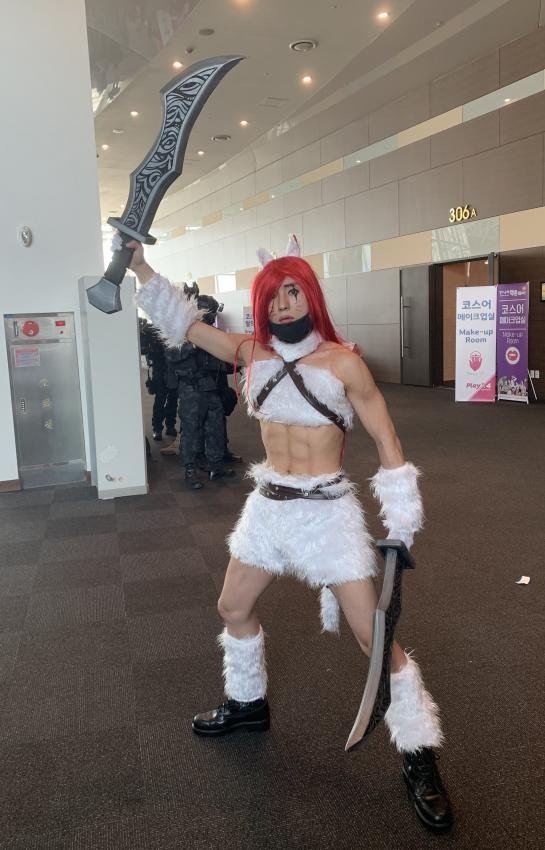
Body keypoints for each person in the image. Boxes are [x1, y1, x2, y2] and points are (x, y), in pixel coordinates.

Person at [121, 233, 453, 832]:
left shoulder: (343, 362)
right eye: (273, 296)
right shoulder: (252, 353)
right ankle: (248, 702)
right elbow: (185, 325)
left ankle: (418, 751)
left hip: (328, 513)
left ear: (311, 295)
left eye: (293, 292)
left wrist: (401, 522)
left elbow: (388, 441)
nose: (283, 304)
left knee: (374, 637)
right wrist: (142, 269)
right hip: (269, 508)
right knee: (232, 607)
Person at [165, 293, 236, 490]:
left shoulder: (212, 333)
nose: (212, 317)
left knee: (215, 427)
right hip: (191, 388)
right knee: (191, 431)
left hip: (211, 386)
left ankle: (216, 465)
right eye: (210, 313)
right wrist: (194, 344)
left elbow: (221, 358)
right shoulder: (182, 331)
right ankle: (189, 470)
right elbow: (171, 355)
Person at [139, 318, 178, 440]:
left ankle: (170, 425)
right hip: (160, 370)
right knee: (160, 400)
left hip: (174, 369)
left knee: (173, 400)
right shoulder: (152, 330)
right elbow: (143, 348)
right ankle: (157, 428)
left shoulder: (175, 328)